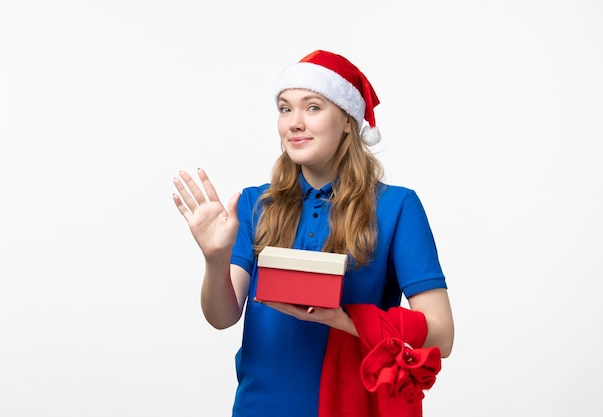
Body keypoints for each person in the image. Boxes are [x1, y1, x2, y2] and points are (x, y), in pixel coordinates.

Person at [173, 50, 454, 417]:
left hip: (350, 407)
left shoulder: (397, 207)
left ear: (349, 121)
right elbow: (222, 316)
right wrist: (215, 258)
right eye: (285, 108)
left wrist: (340, 317)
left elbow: (441, 334)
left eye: (313, 107)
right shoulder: (255, 203)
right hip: (260, 407)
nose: (294, 122)